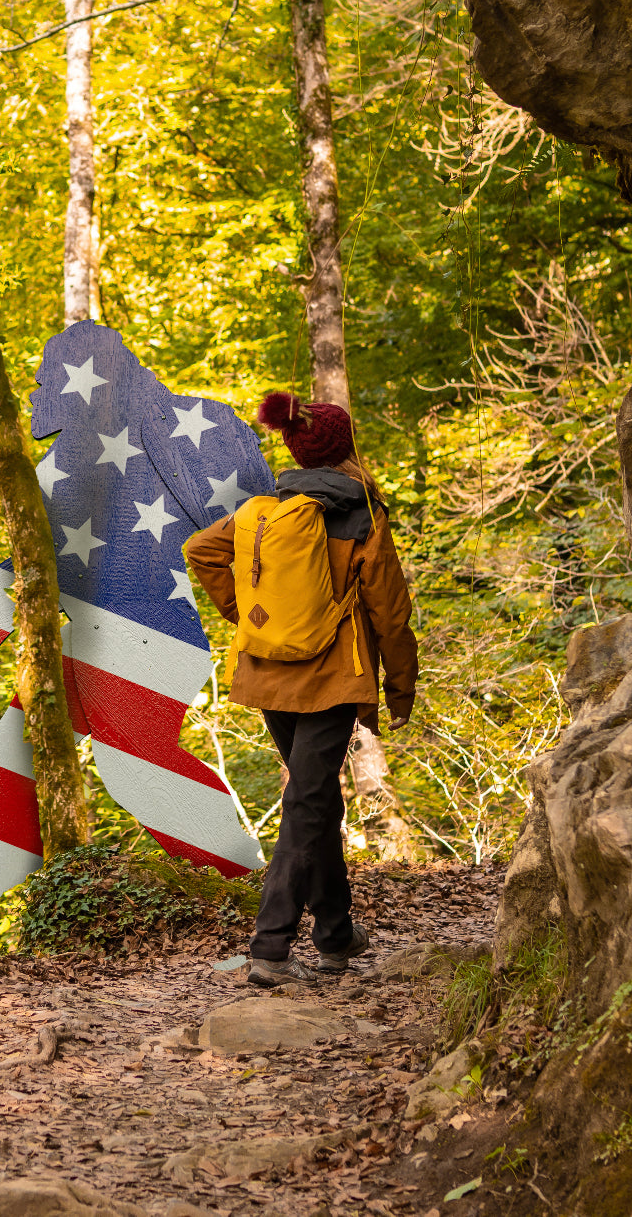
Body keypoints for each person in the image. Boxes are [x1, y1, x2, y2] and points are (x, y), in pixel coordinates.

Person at [185, 393, 418, 985]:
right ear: (346, 448)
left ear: (295, 448)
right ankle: (269, 948)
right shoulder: (361, 513)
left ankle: (336, 933)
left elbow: (200, 549)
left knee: (315, 800)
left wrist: (248, 614)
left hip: (268, 669)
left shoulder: (265, 510)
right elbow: (390, 613)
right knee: (308, 803)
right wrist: (400, 687)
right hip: (330, 678)